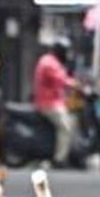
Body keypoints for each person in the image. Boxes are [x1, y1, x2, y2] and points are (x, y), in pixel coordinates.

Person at [34, 38, 79, 166]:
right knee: (65, 126)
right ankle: (59, 159)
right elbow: (61, 80)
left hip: (54, 101)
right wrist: (76, 85)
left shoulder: (52, 61)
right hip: (48, 103)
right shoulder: (49, 63)